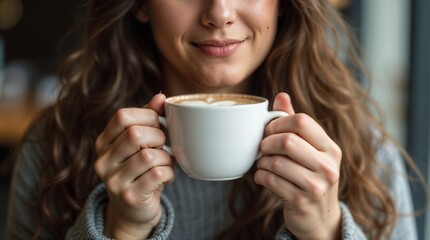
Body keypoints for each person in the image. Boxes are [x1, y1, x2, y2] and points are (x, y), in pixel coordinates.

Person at [6, 0, 425, 239]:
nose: (219, 13)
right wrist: (120, 229)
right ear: (139, 6)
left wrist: (325, 230)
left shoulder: (362, 152)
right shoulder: (54, 147)